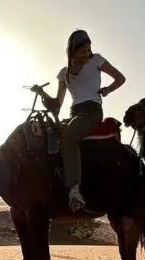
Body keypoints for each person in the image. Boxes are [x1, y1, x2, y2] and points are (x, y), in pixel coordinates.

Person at [34, 30, 125, 210]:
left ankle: (75, 189)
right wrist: (41, 92)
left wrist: (107, 89)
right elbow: (57, 104)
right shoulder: (64, 73)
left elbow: (120, 78)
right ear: (72, 51)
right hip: (74, 112)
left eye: (89, 47)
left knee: (69, 137)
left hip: (92, 110)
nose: (87, 51)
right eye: (83, 48)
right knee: (47, 135)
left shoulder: (97, 60)